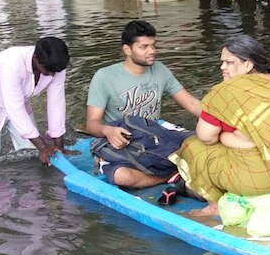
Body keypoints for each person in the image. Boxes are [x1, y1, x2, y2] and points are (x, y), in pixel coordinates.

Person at [170, 35, 270, 218]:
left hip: (256, 179)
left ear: (248, 65)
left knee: (193, 145)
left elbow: (206, 136)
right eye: (222, 62)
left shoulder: (225, 92)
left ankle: (213, 206)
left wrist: (228, 138)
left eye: (229, 63)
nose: (222, 67)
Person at [85, 19, 202, 189]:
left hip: (157, 135)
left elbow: (191, 102)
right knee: (122, 177)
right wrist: (107, 130)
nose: (152, 51)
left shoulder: (160, 69)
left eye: (153, 45)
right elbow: (91, 123)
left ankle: (171, 170)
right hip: (126, 143)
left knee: (208, 140)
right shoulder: (104, 77)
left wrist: (222, 123)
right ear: (127, 49)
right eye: (144, 47)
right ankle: (170, 175)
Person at [0, 37, 70, 164]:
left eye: (56, 71)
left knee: (31, 154)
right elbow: (14, 108)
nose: (53, 75)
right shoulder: (12, 64)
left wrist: (59, 146)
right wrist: (43, 147)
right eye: (48, 71)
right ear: (35, 59)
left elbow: (57, 102)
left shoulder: (56, 65)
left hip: (19, 98)